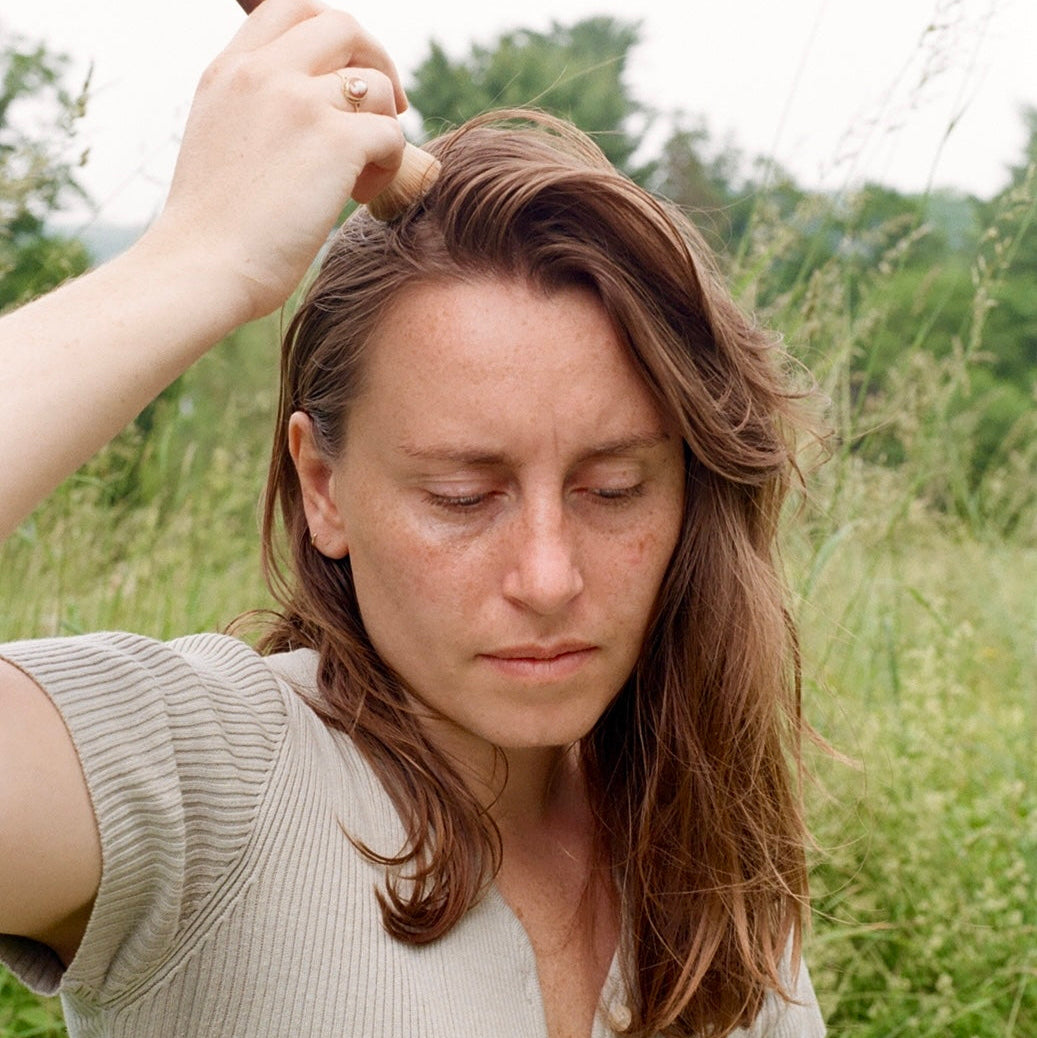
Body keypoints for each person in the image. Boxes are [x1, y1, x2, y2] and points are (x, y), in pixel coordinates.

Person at [0, 1, 827, 1035]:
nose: (547, 576)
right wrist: (198, 259)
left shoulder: (701, 845)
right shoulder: (201, 779)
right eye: (461, 495)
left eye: (612, 489)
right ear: (323, 488)